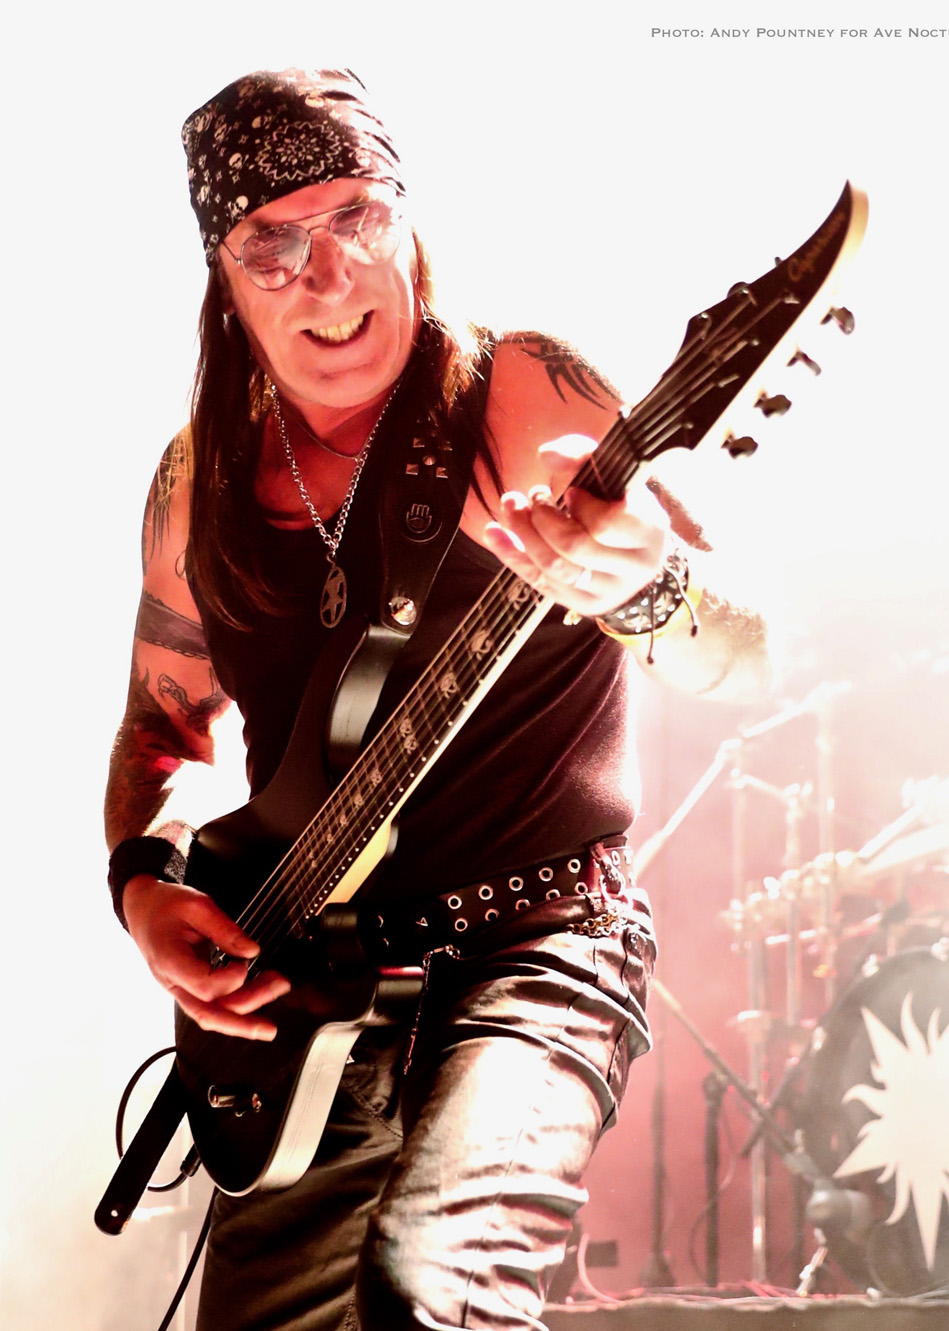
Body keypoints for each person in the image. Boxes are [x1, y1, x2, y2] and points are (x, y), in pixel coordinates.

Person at [104, 68, 768, 1331]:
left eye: (357, 217)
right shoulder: (197, 480)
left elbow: (739, 656)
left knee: (432, 1292)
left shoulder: (516, 393)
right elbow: (162, 726)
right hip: (303, 986)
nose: (331, 276)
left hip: (537, 943)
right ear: (224, 281)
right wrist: (143, 880)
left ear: (407, 217)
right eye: (273, 246)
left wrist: (647, 587)